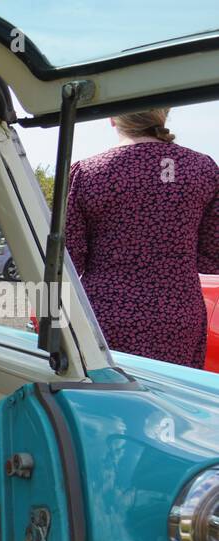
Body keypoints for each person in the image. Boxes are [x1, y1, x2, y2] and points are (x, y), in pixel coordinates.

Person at [65, 108, 219, 368]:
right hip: (178, 318)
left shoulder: (88, 172)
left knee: (106, 401)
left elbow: (68, 260)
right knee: (168, 402)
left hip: (106, 315)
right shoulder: (203, 169)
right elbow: (212, 257)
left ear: (113, 118)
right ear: (164, 115)